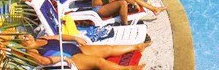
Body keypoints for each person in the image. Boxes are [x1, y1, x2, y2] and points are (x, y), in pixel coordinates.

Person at [15, 32, 149, 70]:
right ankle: (126, 69)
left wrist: (75, 38)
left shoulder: (42, 38)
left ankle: (136, 47)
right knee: (100, 62)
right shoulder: (31, 52)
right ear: (21, 44)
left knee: (108, 48)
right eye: (23, 38)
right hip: (73, 59)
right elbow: (43, 61)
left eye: (25, 34)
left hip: (76, 49)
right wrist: (62, 58)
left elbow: (59, 36)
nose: (27, 36)